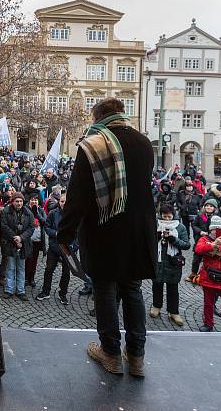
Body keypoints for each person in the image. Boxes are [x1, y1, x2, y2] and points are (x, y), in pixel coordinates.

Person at [57, 98, 157, 378]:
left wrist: (64, 233)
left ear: (97, 117)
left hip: (105, 229)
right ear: (121, 115)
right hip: (138, 228)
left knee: (105, 289)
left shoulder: (93, 145)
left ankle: (111, 353)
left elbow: (77, 196)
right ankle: (136, 357)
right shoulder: (144, 142)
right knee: (133, 290)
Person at [150, 204, 191, 326]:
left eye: (169, 216)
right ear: (160, 215)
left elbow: (186, 244)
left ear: (173, 215)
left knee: (173, 288)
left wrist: (172, 239)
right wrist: (157, 235)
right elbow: (148, 241)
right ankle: (156, 306)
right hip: (158, 260)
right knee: (157, 284)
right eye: (164, 216)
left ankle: (173, 311)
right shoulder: (155, 225)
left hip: (173, 261)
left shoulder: (180, 227)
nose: (167, 219)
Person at [0, 192, 34, 300]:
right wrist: (15, 237)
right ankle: (9, 289)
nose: (19, 203)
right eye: (17, 201)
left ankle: (20, 290)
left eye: (20, 201)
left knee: (21, 268)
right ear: (12, 202)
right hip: (10, 243)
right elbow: (4, 226)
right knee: (10, 267)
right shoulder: (6, 211)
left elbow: (31, 227)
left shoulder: (28, 213)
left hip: (23, 244)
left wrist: (21, 238)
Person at [25, 194, 47, 287]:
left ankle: (32, 277)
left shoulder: (41, 210)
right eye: (32, 199)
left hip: (37, 240)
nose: (34, 201)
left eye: (36, 200)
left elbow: (45, 222)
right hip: (28, 239)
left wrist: (37, 214)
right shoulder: (25, 209)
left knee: (34, 260)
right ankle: (26, 277)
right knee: (27, 259)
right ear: (29, 200)